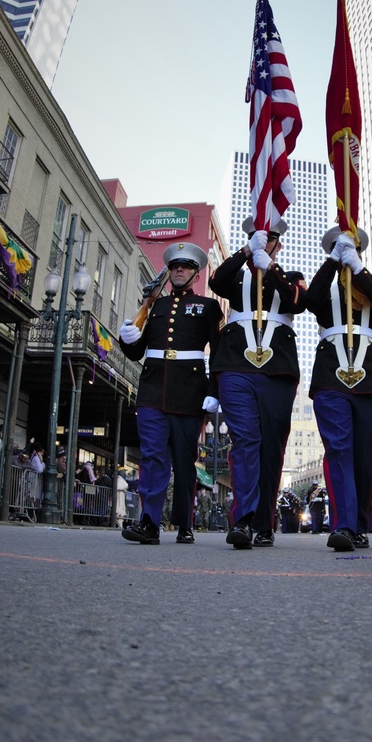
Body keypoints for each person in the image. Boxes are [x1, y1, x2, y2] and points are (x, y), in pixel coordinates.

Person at [209, 218, 306, 550]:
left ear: (279, 244)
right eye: (258, 239)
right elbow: (216, 280)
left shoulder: (290, 277)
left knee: (271, 446)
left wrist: (270, 267)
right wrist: (245, 251)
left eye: (269, 240)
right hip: (235, 364)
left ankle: (265, 522)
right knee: (246, 439)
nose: (264, 244)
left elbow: (297, 302)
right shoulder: (236, 277)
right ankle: (244, 520)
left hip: (277, 369)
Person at [119, 240, 223, 545]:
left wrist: (215, 391)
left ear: (195, 274)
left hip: (190, 393)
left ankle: (184, 522)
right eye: (175, 266)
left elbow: (216, 352)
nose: (179, 270)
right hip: (152, 389)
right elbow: (138, 351)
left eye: (186, 266)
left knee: (183, 460)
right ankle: (149, 522)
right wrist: (128, 338)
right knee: (151, 455)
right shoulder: (155, 306)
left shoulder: (208, 307)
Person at [303, 226, 372, 551]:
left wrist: (357, 268)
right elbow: (309, 300)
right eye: (340, 249)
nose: (345, 255)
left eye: (350, 250)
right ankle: (342, 526)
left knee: (364, 456)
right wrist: (332, 262)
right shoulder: (326, 289)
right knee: (339, 449)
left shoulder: (370, 288)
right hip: (331, 378)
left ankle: (358, 525)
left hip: (369, 381)